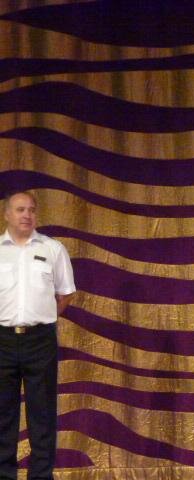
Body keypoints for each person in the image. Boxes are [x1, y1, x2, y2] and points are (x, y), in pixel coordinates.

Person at [0, 191, 76, 480]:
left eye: (31, 209)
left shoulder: (53, 249)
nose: (27, 215)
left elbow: (65, 294)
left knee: (42, 414)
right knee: (3, 414)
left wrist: (41, 318)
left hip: (40, 341)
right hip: (2, 340)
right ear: (7, 214)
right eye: (20, 209)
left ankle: (41, 476)